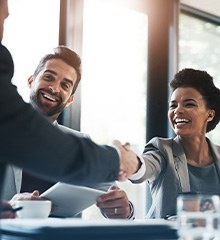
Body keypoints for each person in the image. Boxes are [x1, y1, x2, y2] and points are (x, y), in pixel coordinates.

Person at [0, 0, 140, 217]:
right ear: (30, 81)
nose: (54, 88)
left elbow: (110, 194)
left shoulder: (80, 143)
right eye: (48, 77)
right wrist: (13, 205)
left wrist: (125, 209)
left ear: (71, 98)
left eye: (65, 85)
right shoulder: (9, 125)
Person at [129, 68, 220, 218]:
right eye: (173, 105)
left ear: (210, 114)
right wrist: (131, 163)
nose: (178, 111)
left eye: (189, 104)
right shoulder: (162, 150)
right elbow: (144, 167)